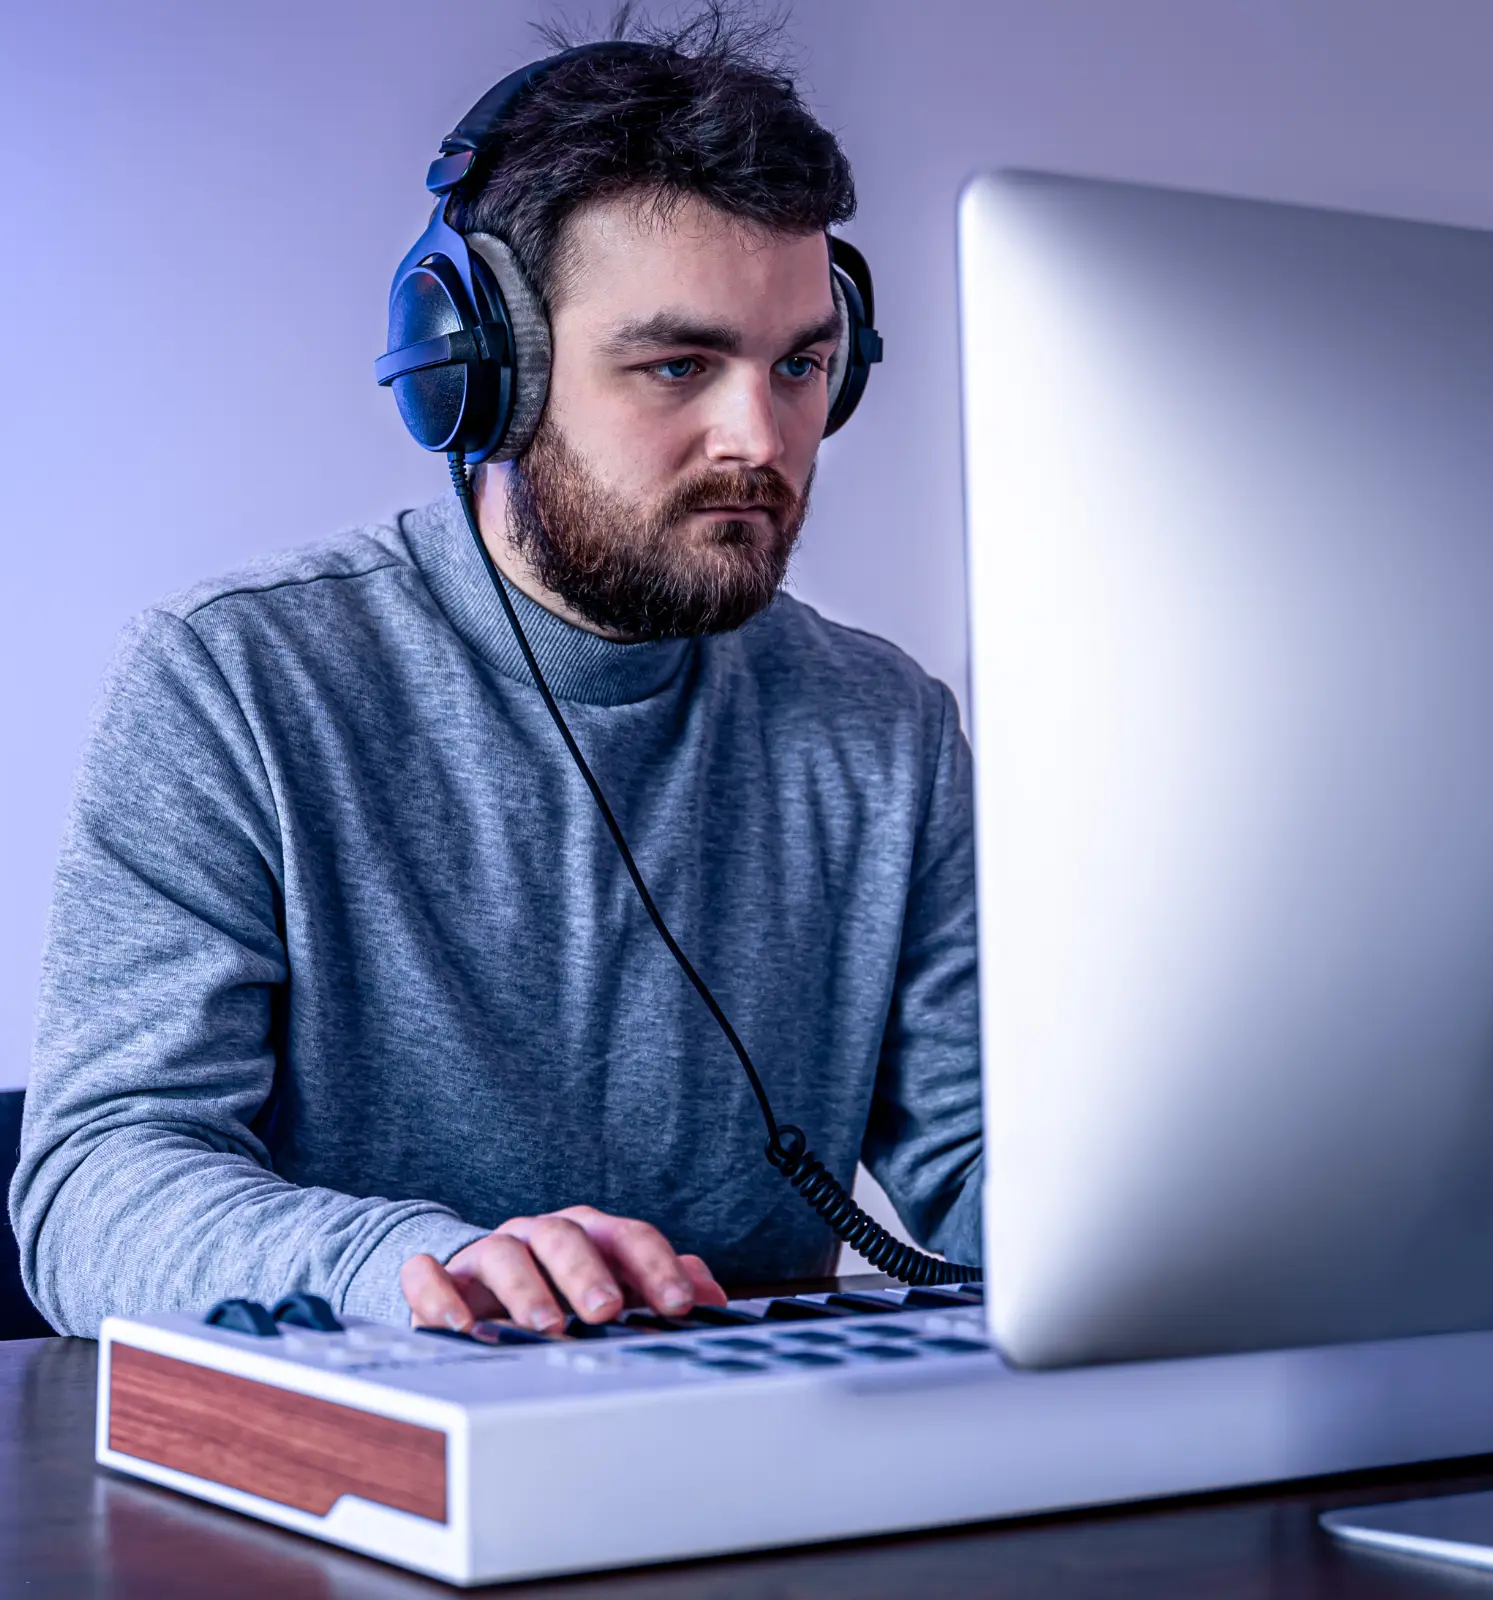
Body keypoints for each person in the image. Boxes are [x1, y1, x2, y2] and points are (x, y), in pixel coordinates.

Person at [10, 8, 981, 1338]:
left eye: (802, 364)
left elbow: (995, 1174)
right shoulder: (235, 683)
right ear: (488, 374)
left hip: (753, 1475)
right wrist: (417, 1270)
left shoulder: (884, 731)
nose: (761, 437)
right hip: (355, 1459)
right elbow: (92, 1195)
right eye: (677, 365)